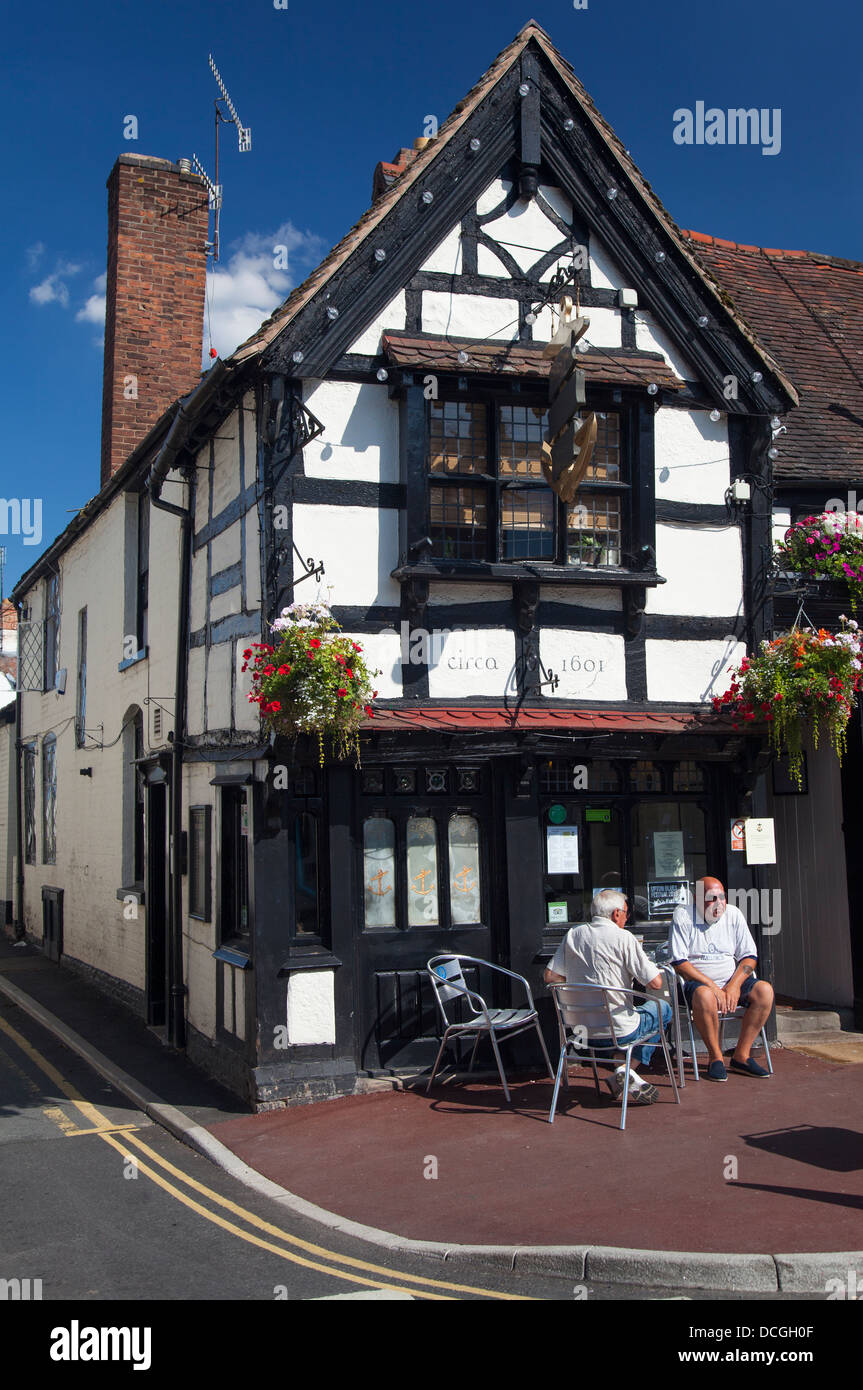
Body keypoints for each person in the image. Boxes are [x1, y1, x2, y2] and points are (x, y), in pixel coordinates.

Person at [544, 889, 672, 1105]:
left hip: (580, 1033)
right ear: (616, 914)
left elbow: (550, 976)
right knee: (662, 1008)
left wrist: (580, 988)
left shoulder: (573, 935)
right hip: (620, 1031)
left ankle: (621, 1071)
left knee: (638, 1015)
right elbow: (655, 983)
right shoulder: (624, 938)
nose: (627, 917)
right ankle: (625, 1070)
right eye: (626, 913)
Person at [669, 876, 774, 1082]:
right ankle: (715, 1057)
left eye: (722, 897)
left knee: (764, 991)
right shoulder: (683, 915)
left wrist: (734, 986)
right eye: (711, 898)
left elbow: (749, 956)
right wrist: (713, 987)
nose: (718, 903)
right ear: (696, 898)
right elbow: (679, 962)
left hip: (730, 981)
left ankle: (741, 1056)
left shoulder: (733, 914)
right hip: (696, 985)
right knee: (706, 995)